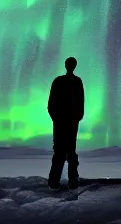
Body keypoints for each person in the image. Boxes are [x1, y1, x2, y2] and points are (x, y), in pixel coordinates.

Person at [47, 56, 84, 189]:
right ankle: (69, 179)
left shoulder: (59, 81)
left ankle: (56, 180)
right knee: (67, 151)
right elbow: (80, 104)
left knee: (61, 151)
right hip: (67, 121)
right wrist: (75, 118)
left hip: (64, 121)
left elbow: (51, 104)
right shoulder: (75, 81)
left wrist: (57, 118)